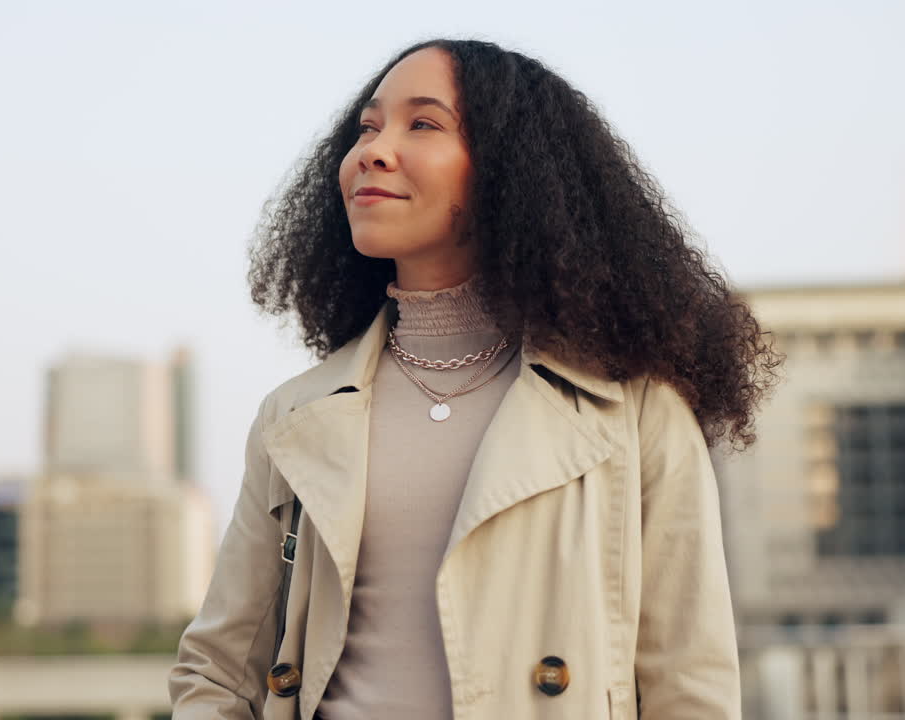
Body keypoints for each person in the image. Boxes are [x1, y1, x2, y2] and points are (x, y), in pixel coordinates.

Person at [168, 37, 780, 720]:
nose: (372, 149)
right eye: (367, 127)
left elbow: (689, 688)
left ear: (510, 173)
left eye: (422, 123)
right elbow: (215, 674)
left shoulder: (634, 412)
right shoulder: (293, 417)